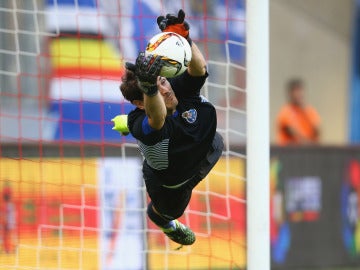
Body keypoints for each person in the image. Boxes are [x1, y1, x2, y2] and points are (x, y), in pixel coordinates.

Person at [118, 9, 224, 246]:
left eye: (163, 81)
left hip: (203, 148)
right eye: (156, 89)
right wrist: (149, 88)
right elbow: (156, 120)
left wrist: (184, 39)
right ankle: (160, 219)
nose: (165, 89)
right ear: (139, 103)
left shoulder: (174, 88)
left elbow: (199, 70)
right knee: (168, 212)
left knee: (217, 143)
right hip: (170, 188)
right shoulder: (142, 121)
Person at [276, 79, 321, 145]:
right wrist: (307, 143)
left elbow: (317, 132)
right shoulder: (286, 111)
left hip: (309, 151)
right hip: (290, 151)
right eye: (295, 91)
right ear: (290, 94)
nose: (298, 94)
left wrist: (304, 112)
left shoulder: (310, 111)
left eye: (300, 91)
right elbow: (290, 131)